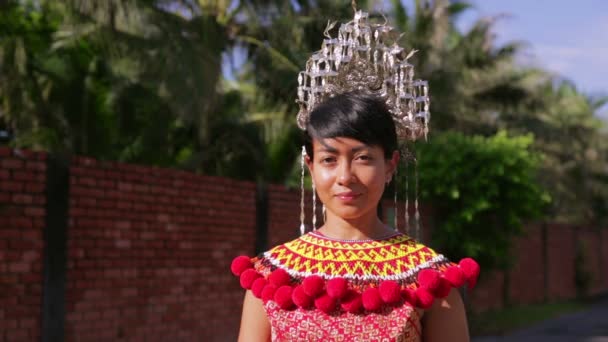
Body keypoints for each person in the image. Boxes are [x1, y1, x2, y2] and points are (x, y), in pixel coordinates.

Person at [230, 8, 479, 342]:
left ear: (390, 165)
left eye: (363, 157)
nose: (345, 176)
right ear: (310, 166)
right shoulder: (271, 278)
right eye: (329, 159)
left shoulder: (431, 280)